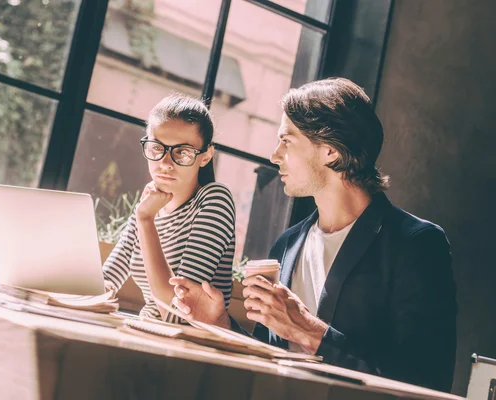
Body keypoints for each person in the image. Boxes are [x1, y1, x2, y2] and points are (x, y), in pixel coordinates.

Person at [169, 78, 457, 392]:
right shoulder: (287, 245)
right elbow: (272, 357)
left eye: (287, 140)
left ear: (330, 151)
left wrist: (310, 332)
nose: (274, 155)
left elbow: (427, 383)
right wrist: (219, 324)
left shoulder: (416, 244)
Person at [102, 93, 236, 323]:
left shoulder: (215, 200)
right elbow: (108, 277)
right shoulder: (150, 202)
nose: (165, 163)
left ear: (205, 156)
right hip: (148, 332)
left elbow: (176, 313)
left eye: (182, 152)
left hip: (190, 344)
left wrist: (145, 220)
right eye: (157, 148)